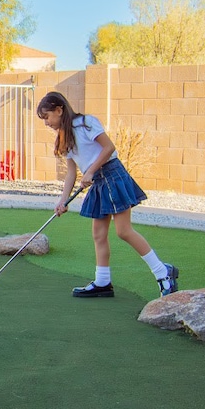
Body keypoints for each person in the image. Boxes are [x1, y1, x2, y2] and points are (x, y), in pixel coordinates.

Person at [35, 91, 179, 298]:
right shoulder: (63, 137)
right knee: (99, 234)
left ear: (59, 110)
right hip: (98, 182)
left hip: (112, 175)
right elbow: (70, 173)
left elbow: (109, 147)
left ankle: (163, 272)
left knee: (124, 231)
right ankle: (103, 282)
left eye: (47, 117)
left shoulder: (86, 123)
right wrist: (63, 200)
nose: (46, 123)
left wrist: (91, 170)